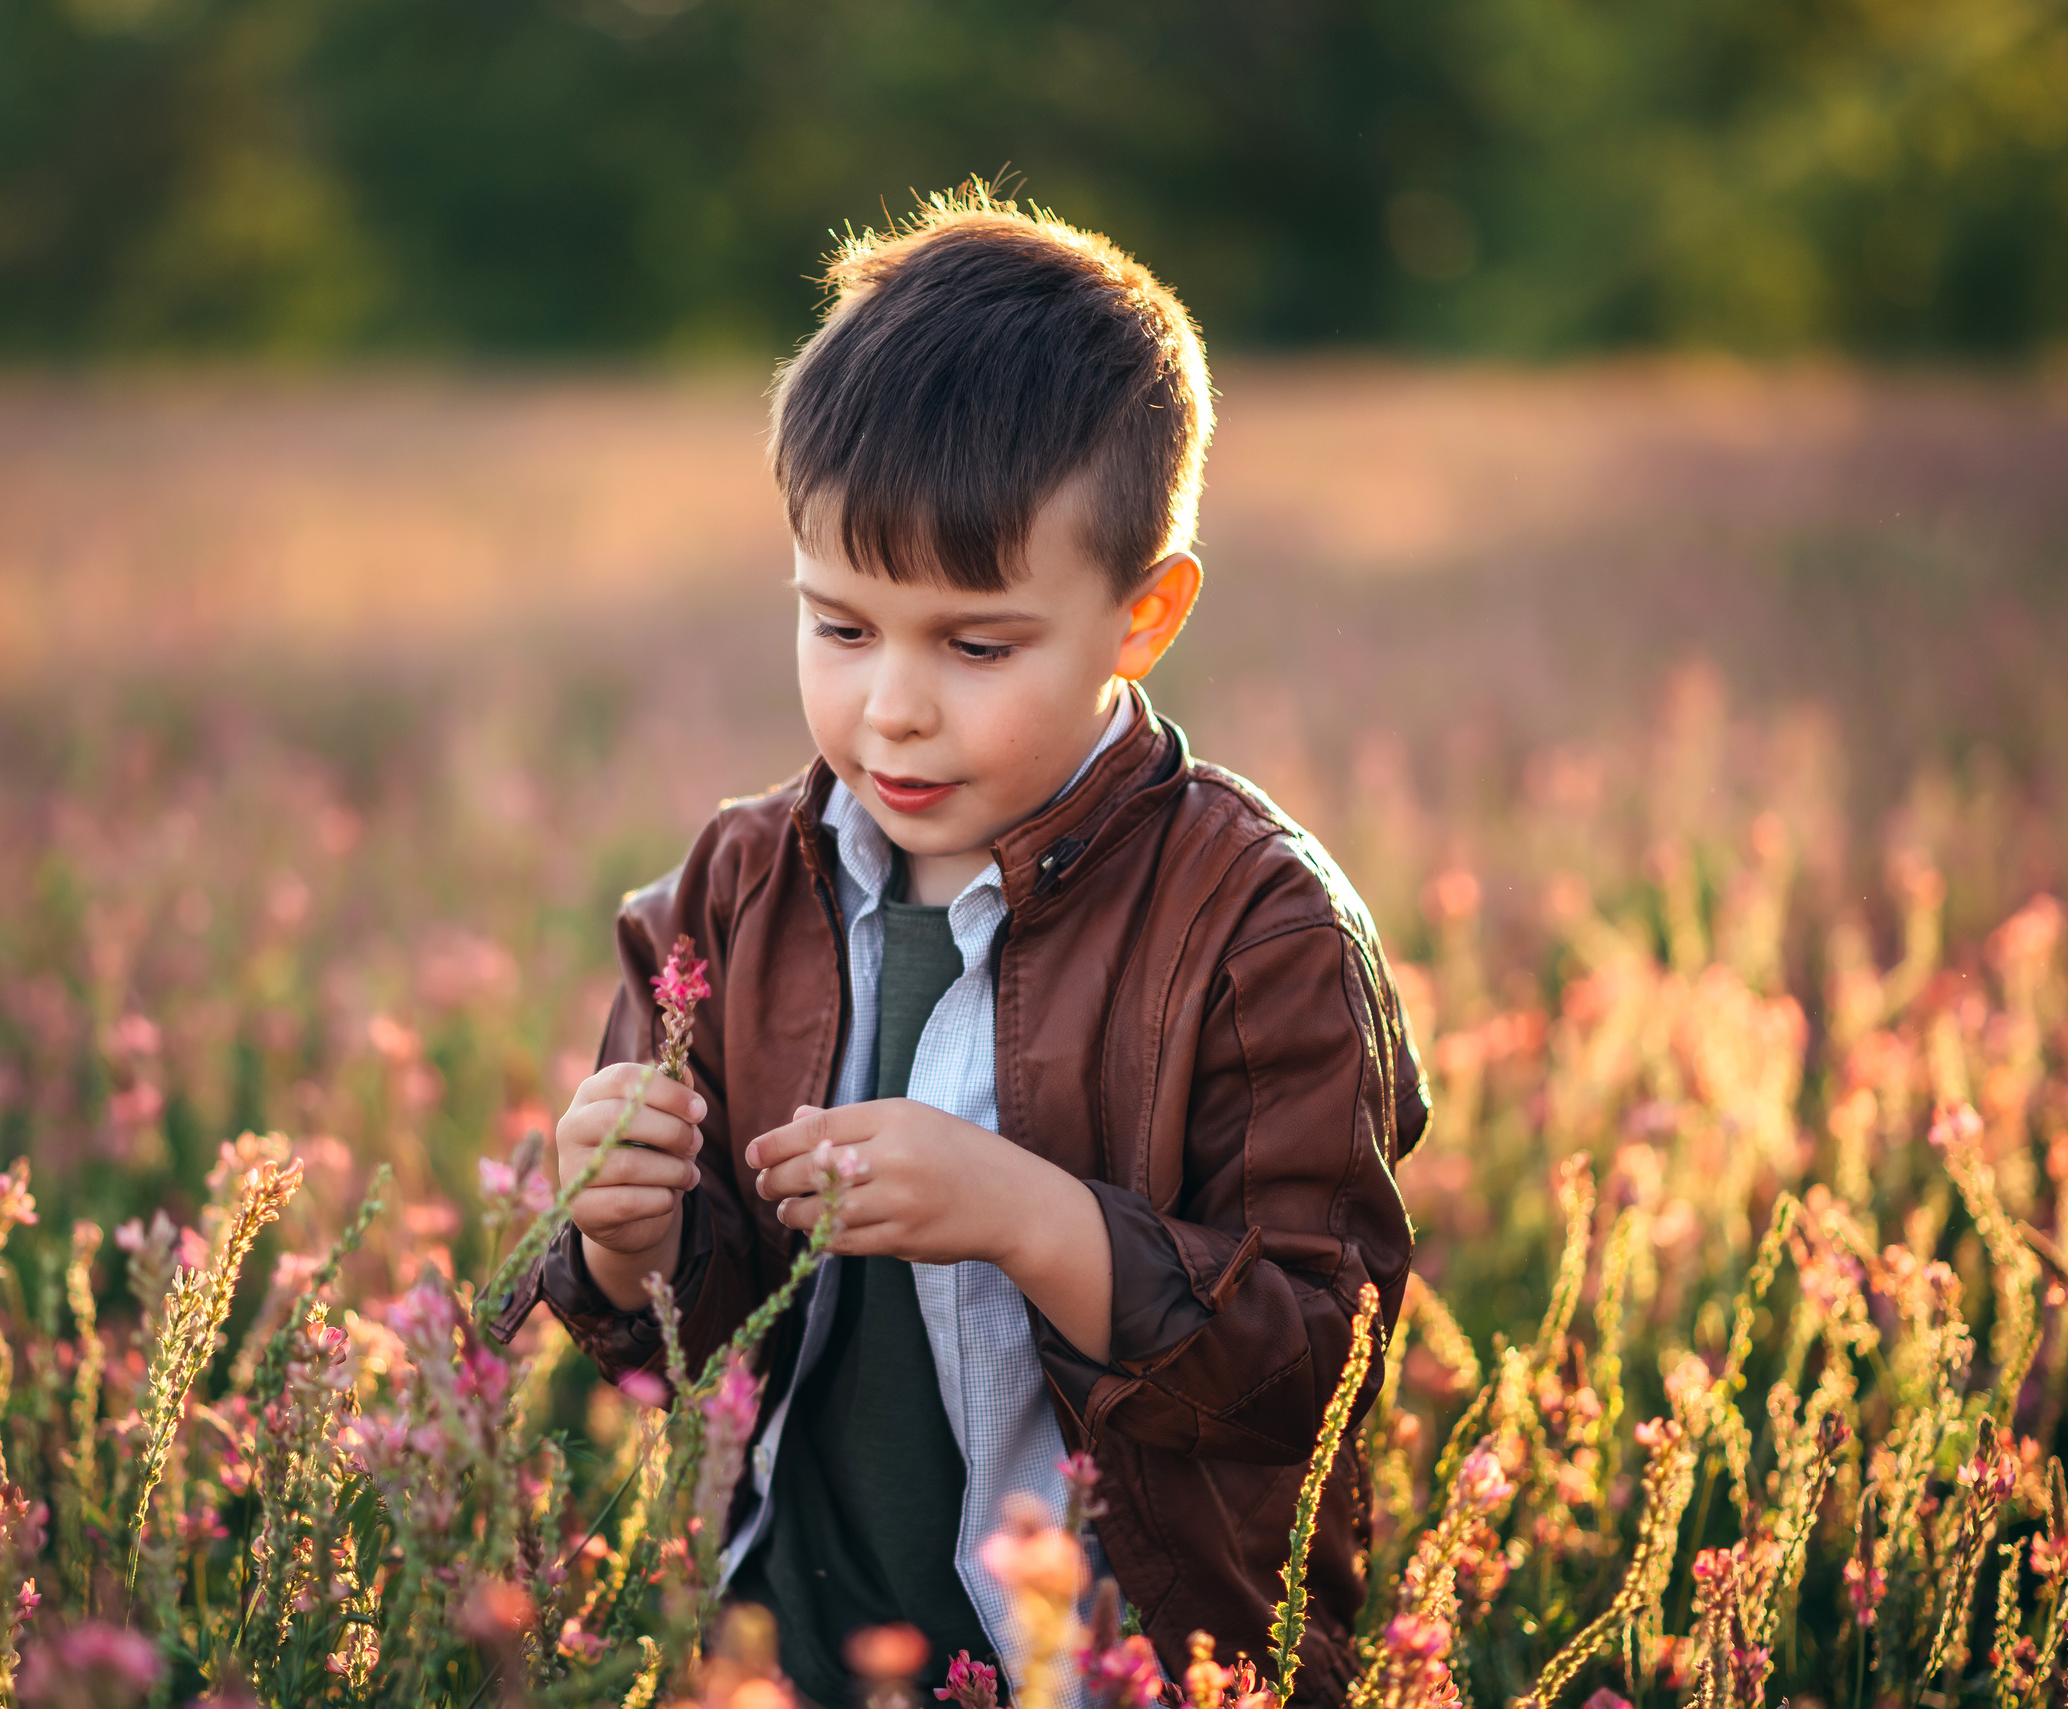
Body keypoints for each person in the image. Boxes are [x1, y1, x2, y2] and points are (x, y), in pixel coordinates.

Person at [496, 185, 1428, 1707]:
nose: (894, 709)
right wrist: (624, 1237)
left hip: (1116, 1665)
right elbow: (694, 1355)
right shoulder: (731, 893)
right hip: (791, 1646)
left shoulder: (1254, 928)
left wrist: (1028, 1217)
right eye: (840, 627)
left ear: (1145, 615)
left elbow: (1313, 1366)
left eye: (977, 644)